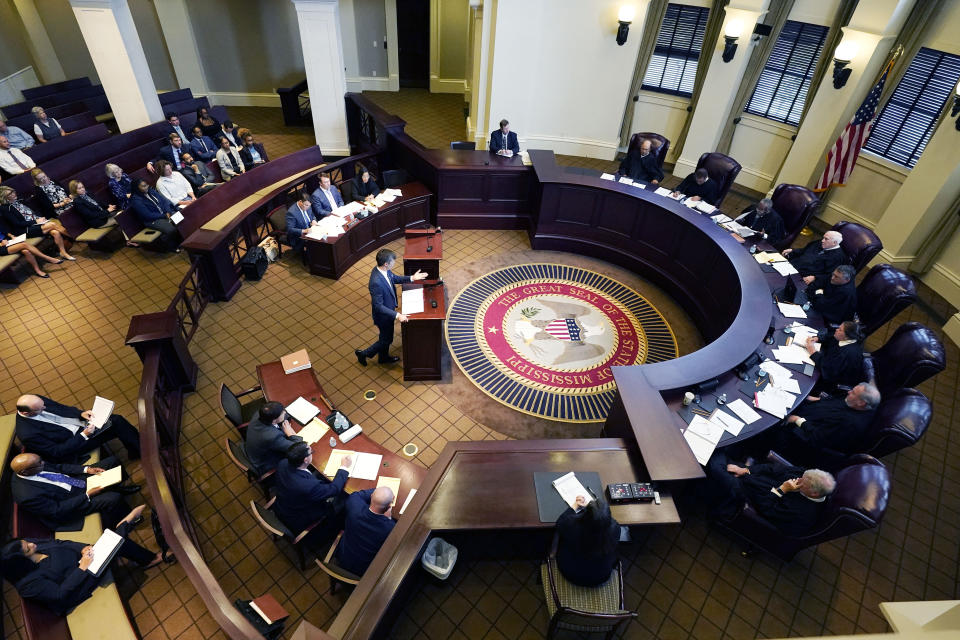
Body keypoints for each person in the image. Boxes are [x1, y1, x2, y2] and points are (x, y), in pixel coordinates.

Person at [0, 506, 165, 617]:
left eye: (26, 542)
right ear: (22, 562)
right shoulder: (28, 585)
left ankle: (128, 530)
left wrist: (82, 548)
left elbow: (60, 543)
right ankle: (128, 526)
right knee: (115, 545)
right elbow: (60, 594)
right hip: (78, 585)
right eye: (28, 548)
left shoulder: (30, 546)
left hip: (81, 560)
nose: (31, 543)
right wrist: (82, 568)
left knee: (111, 544)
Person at [704, 451, 835, 534]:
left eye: (803, 482)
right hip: (751, 476)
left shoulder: (802, 513)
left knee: (715, 462)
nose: (799, 478)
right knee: (721, 453)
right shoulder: (808, 477)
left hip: (748, 495)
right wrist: (747, 470)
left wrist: (782, 490)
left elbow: (766, 509)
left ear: (814, 494)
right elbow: (775, 468)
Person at [10, 453, 138, 531]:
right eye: (40, 464)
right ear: (25, 473)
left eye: (41, 461)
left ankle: (119, 486)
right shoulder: (27, 495)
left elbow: (59, 467)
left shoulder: (34, 464)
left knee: (112, 461)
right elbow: (57, 510)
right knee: (114, 498)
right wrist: (87, 495)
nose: (43, 463)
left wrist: (86, 470)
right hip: (69, 504)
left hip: (73, 482)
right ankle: (129, 521)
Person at [764, 383, 881, 466]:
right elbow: (833, 402)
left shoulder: (849, 423)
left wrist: (796, 420)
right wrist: (809, 398)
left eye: (853, 392)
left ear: (861, 403)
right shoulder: (855, 402)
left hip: (801, 438)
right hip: (810, 413)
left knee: (767, 422)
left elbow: (818, 437)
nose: (849, 391)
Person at [15, 394, 142, 463]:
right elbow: (57, 451)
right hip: (75, 442)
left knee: (115, 421)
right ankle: (140, 450)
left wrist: (80, 413)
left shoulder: (37, 401)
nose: (44, 408)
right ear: (26, 413)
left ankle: (136, 449)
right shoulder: (28, 433)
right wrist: (84, 435)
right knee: (117, 422)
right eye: (40, 409)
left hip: (80, 424)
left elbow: (62, 408)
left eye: (43, 405)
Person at [355, 249, 427, 366]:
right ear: (386, 264)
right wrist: (398, 315)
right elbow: (378, 306)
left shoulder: (383, 270)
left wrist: (412, 278)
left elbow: (394, 278)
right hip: (383, 317)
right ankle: (363, 354)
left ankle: (383, 358)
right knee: (386, 340)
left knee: (386, 338)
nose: (395, 263)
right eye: (393, 261)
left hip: (388, 312)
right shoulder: (376, 282)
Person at [273, 442, 350, 538]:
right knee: (346, 498)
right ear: (305, 460)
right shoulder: (308, 487)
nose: (312, 453)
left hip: (284, 505)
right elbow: (334, 489)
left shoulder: (283, 463)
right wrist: (344, 467)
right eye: (311, 452)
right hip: (302, 516)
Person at [555, 496, 620, 586]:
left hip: (571, 574)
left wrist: (575, 506)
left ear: (585, 515)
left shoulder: (571, 525)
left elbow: (559, 523)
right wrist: (597, 513)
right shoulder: (615, 529)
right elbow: (606, 521)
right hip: (601, 577)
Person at [0, 186, 74, 260]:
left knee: (55, 232)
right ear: (5, 197)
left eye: (13, 191)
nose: (13, 194)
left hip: (36, 223)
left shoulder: (20, 200)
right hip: (25, 229)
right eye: (10, 194)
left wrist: (39, 218)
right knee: (53, 224)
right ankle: (74, 238)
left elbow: (32, 212)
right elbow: (17, 224)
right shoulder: (5, 208)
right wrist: (36, 221)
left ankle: (63, 253)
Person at [336, 486, 396, 576]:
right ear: (389, 506)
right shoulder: (389, 527)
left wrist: (376, 492)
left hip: (343, 556)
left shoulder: (354, 508)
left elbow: (356, 495)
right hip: (364, 569)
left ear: (371, 496)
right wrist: (389, 518)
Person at [243, 402, 303, 477]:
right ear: (274, 421)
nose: (284, 412)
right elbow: (298, 448)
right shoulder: (272, 437)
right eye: (282, 413)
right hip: (266, 463)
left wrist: (284, 418)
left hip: (254, 450)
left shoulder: (260, 413)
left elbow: (281, 416)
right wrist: (291, 433)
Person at [805, 321, 866, 394]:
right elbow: (830, 338)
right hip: (825, 359)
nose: (836, 329)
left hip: (831, 383)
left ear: (846, 336)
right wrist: (817, 338)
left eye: (840, 329)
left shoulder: (846, 353)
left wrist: (813, 351)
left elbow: (828, 369)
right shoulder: (845, 338)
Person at [127, 178, 182, 252]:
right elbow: (147, 215)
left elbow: (165, 201)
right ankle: (170, 246)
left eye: (146, 185)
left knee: (181, 219)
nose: (146, 187)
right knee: (171, 229)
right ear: (137, 188)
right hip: (152, 220)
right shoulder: (136, 200)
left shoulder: (151, 191)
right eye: (143, 186)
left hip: (165, 214)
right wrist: (164, 215)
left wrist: (168, 211)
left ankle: (182, 241)